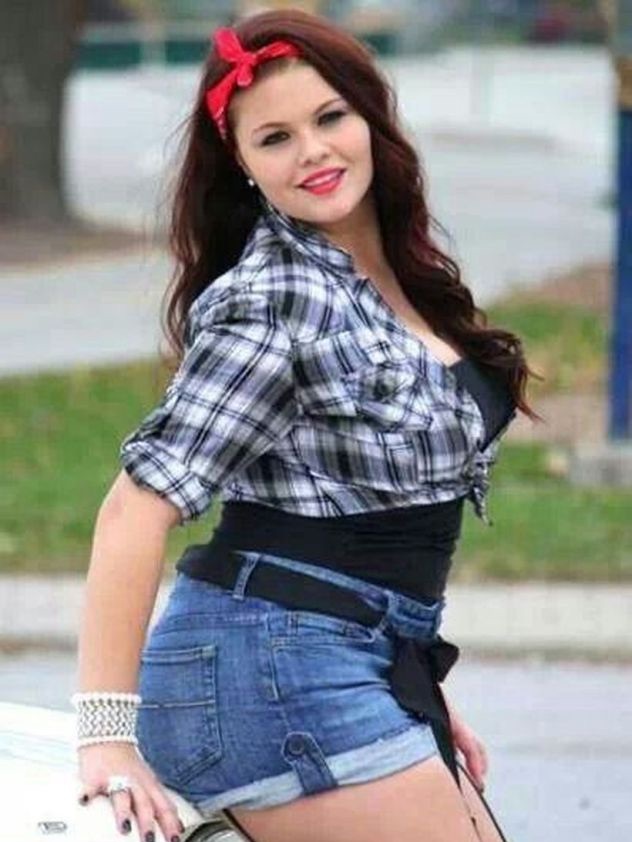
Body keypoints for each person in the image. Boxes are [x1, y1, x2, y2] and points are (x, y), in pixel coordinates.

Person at [73, 9, 540, 842]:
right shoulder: (276, 296)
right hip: (270, 671)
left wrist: (413, 687)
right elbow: (133, 508)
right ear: (244, 164)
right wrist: (105, 735)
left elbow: (369, 524)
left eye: (330, 117)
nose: (313, 152)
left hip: (353, 658)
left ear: (371, 117)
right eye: (275, 138)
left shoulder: (401, 280)